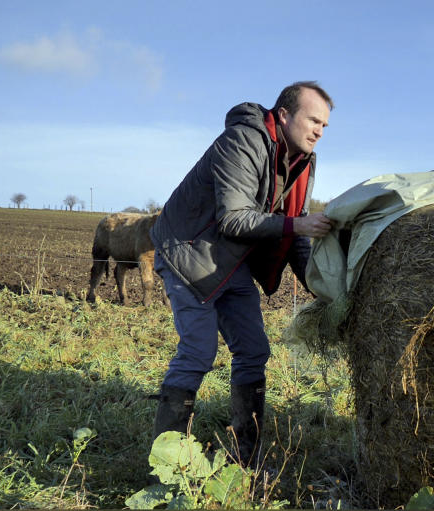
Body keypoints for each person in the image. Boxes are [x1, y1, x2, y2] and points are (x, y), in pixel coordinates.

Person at [148, 81, 334, 467]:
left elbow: (293, 229)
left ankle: (245, 458)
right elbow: (235, 218)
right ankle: (167, 465)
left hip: (232, 262)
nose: (319, 130)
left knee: (253, 351)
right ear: (283, 115)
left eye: (324, 125)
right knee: (199, 351)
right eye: (312, 119)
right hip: (189, 253)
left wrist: (324, 290)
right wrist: (297, 227)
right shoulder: (243, 140)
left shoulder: (303, 161)